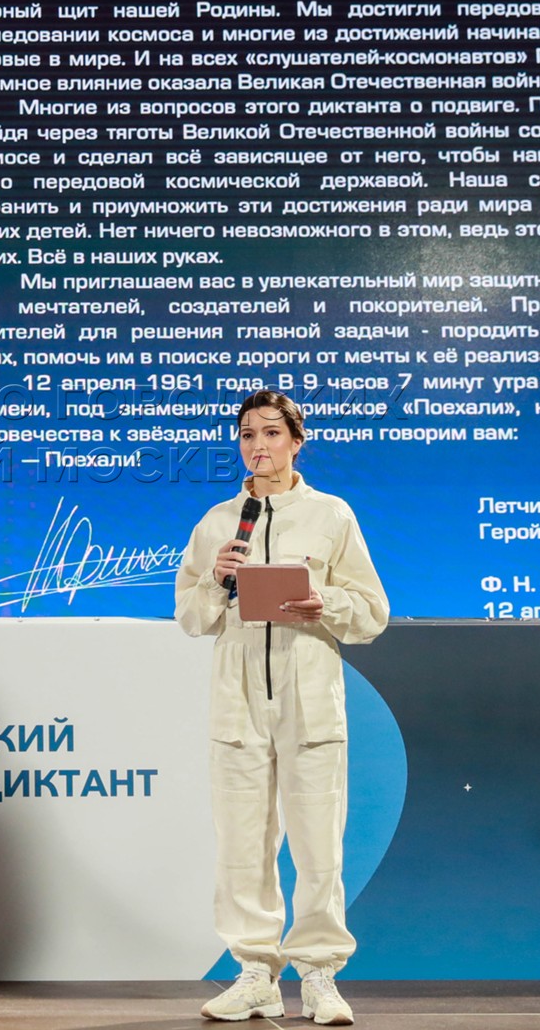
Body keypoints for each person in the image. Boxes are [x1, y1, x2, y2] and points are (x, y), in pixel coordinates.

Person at [174, 390, 388, 1026]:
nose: (258, 445)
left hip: (309, 697)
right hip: (239, 701)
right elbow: (190, 617)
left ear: (297, 441)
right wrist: (215, 579)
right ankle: (254, 973)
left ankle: (319, 975)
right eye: (247, 434)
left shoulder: (331, 515)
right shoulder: (218, 521)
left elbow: (372, 612)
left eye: (271, 433)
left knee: (319, 845)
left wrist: (325, 602)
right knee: (242, 845)